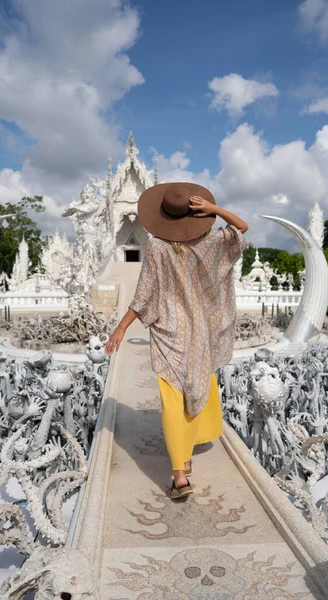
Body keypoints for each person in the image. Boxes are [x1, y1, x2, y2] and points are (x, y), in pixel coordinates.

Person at [105, 182, 248, 499]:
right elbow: (241, 228)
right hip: (200, 333)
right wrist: (214, 210)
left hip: (169, 333)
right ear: (194, 214)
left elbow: (143, 297)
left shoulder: (156, 246)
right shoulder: (210, 242)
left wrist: (121, 328)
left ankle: (180, 474)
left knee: (172, 400)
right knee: (195, 388)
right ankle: (183, 459)